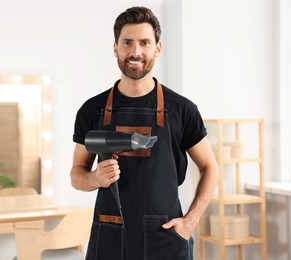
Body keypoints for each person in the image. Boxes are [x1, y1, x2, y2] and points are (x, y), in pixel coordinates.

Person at [70, 6, 219, 260]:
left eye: (144, 43)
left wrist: (189, 222)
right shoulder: (92, 110)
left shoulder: (183, 110)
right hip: (109, 239)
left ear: (157, 48)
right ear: (115, 47)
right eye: (127, 42)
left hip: (166, 239)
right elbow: (76, 174)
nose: (135, 52)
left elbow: (210, 168)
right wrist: (95, 178)